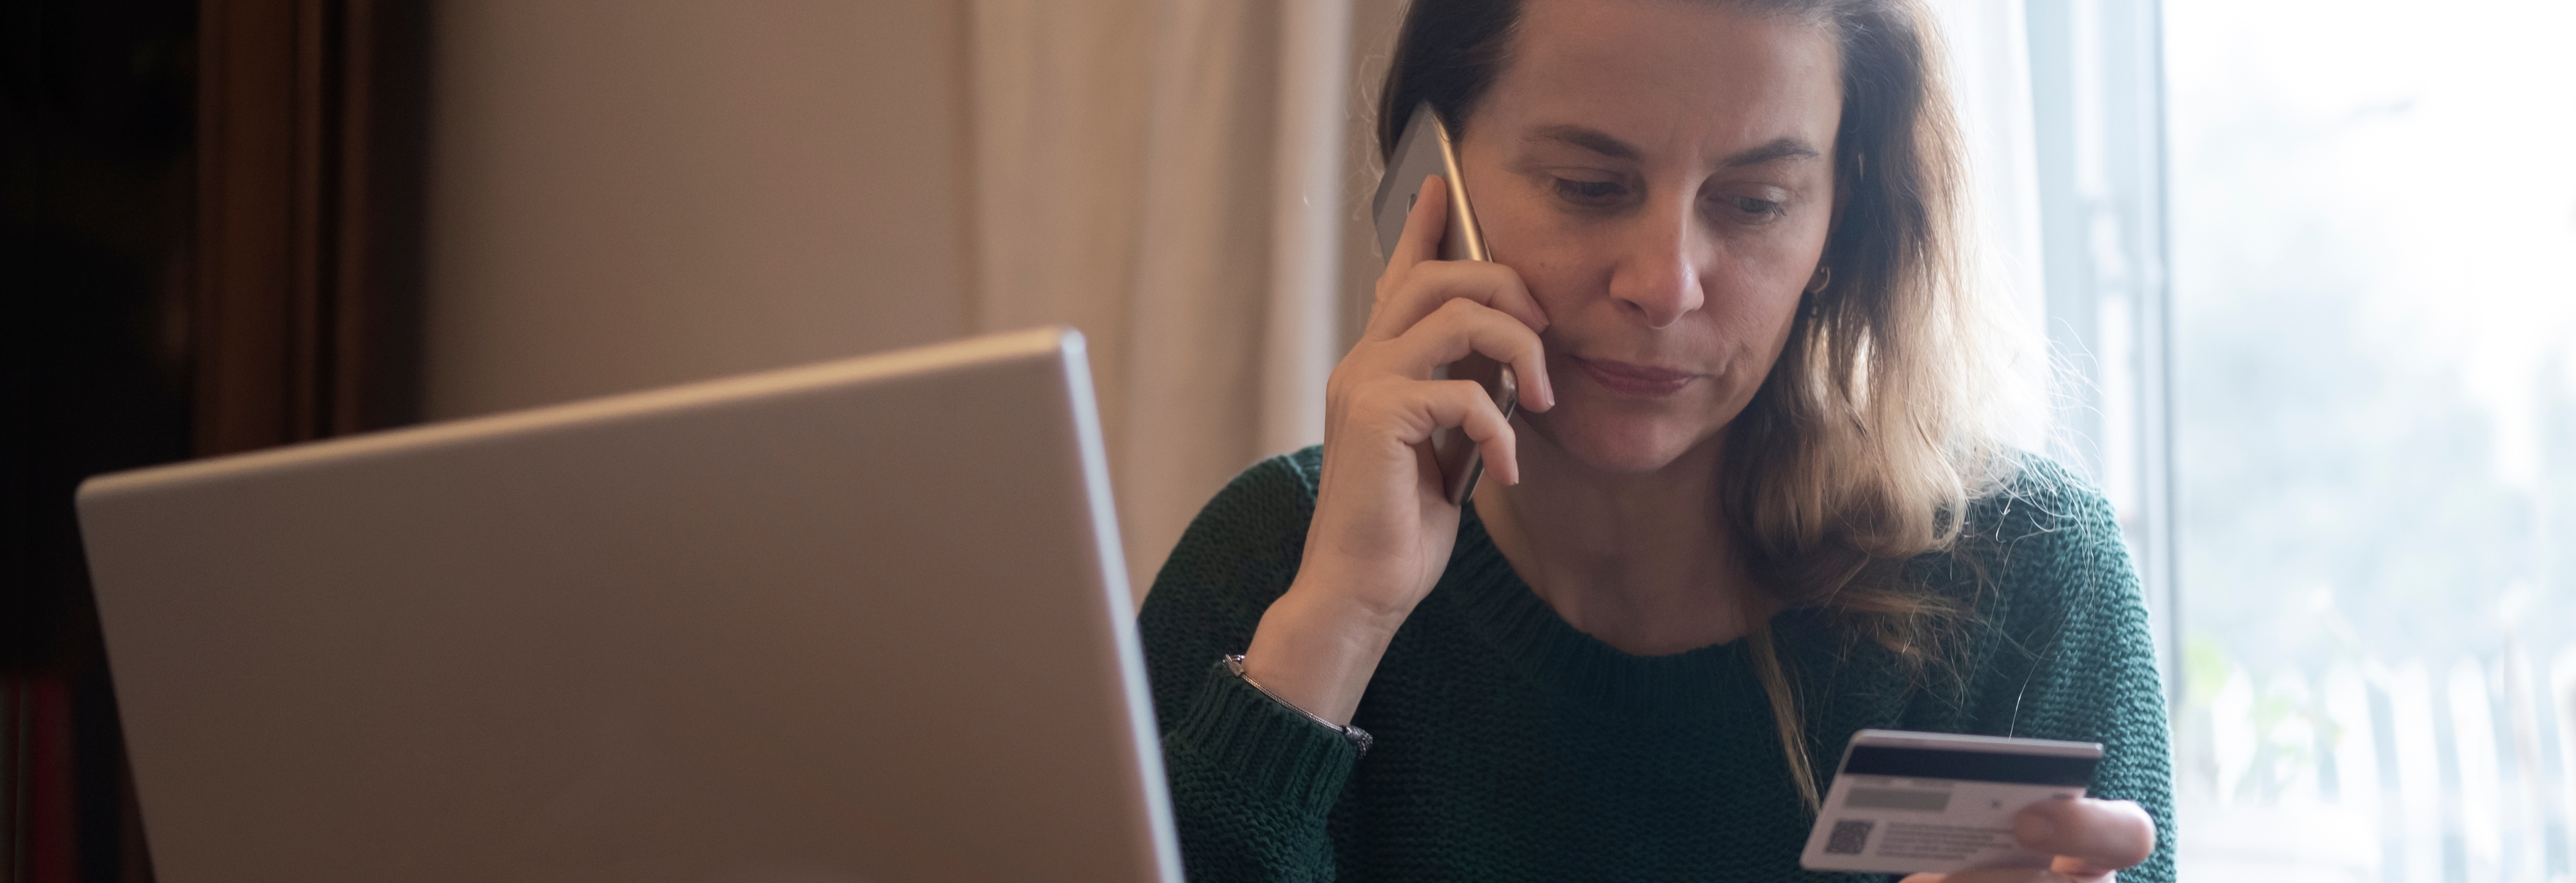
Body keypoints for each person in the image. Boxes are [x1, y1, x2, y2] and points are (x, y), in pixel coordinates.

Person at [1136, 0, 2173, 880]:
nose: (1664, 284)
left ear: (1837, 222)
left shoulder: (2025, 587)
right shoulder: (1269, 568)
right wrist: (1338, 626)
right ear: (1427, 180)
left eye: (1756, 203)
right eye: (1589, 187)